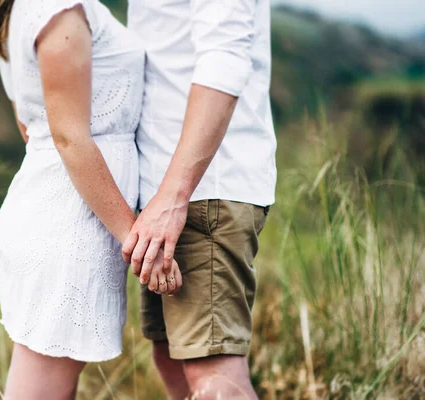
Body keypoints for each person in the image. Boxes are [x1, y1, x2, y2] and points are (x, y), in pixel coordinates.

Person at [0, 0, 183, 398]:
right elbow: (69, 137)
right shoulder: (56, 9)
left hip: (56, 208)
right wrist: (137, 241)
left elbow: (29, 123)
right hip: (67, 222)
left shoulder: (25, 9)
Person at [124, 0, 277, 398]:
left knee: (213, 379)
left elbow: (225, 57)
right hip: (170, 190)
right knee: (172, 357)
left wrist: (174, 196)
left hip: (201, 190)